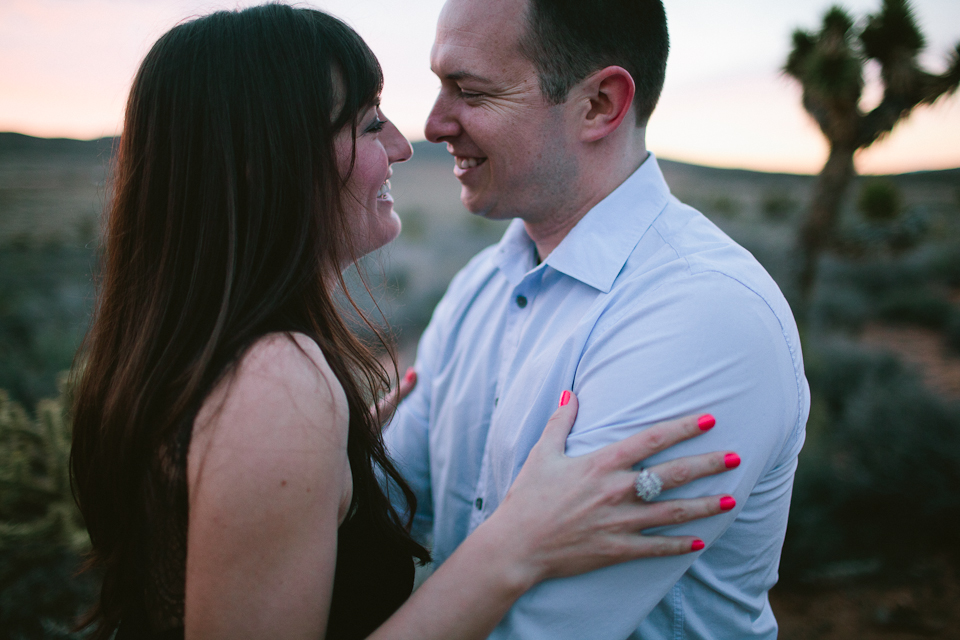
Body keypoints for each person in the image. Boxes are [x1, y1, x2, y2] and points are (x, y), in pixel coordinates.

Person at [67, 5, 740, 640]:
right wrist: (514, 545)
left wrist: (344, 469)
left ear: (599, 105)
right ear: (265, 162)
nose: (404, 142)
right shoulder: (272, 380)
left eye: (468, 91)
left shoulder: (193, 357)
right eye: (366, 124)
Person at [383, 0, 810, 638]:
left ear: (600, 105)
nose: (434, 123)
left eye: (470, 91)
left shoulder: (702, 318)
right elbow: (384, 512)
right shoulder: (480, 287)